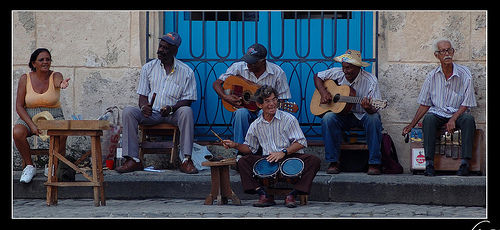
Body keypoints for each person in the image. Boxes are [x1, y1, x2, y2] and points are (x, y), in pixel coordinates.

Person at [222, 85, 321, 208]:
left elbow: (301, 142)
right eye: (267, 101)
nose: (272, 104)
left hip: (289, 157)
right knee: (243, 161)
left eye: (274, 99)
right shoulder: (255, 125)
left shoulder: (288, 119)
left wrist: (283, 152)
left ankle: (292, 195)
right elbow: (250, 148)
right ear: (259, 105)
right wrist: (235, 145)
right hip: (268, 159)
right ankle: (263, 195)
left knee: (314, 161)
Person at [116, 32, 198, 174]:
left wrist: (172, 108)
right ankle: (133, 159)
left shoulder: (186, 72)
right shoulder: (148, 68)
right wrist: (143, 107)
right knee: (129, 111)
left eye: (166, 48)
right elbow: (142, 96)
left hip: (173, 114)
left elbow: (188, 100)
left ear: (175, 51)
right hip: (152, 114)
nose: (161, 50)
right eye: (160, 46)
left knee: (187, 111)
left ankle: (186, 160)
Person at [402, 38, 477, 176]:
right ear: (437, 55)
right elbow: (425, 104)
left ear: (453, 52)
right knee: (429, 120)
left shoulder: (465, 74)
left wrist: (453, 119)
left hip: (457, 113)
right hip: (439, 113)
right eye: (443, 51)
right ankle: (429, 164)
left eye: (449, 50)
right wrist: (411, 124)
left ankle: (465, 164)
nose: (447, 53)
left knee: (468, 120)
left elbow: (467, 102)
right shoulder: (432, 76)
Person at [313, 49, 383, 175]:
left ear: (358, 67)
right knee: (328, 118)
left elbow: (374, 108)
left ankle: (374, 163)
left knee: (374, 119)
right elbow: (317, 76)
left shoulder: (370, 81)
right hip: (342, 115)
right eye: (344, 67)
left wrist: (368, 107)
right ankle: (333, 162)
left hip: (362, 115)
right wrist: (324, 92)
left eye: (349, 68)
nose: (345, 71)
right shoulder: (338, 73)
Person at [213, 43, 291, 155]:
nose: (248, 65)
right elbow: (217, 83)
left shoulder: (277, 72)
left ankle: (266, 153)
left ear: (262, 62)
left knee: (263, 115)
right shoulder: (238, 67)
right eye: (247, 61)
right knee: (241, 113)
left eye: (252, 63)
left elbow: (283, 99)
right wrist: (226, 97)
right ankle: (241, 154)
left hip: (266, 111)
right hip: (245, 109)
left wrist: (270, 105)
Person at [14, 48, 71, 183]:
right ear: (34, 63)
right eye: (41, 60)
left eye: (48, 59)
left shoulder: (55, 75)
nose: (45, 62)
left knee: (63, 133)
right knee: (17, 132)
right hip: (29, 116)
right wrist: (32, 125)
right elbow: (19, 106)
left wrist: (62, 84)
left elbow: (59, 81)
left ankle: (53, 165)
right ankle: (29, 166)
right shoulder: (25, 79)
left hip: (53, 116)